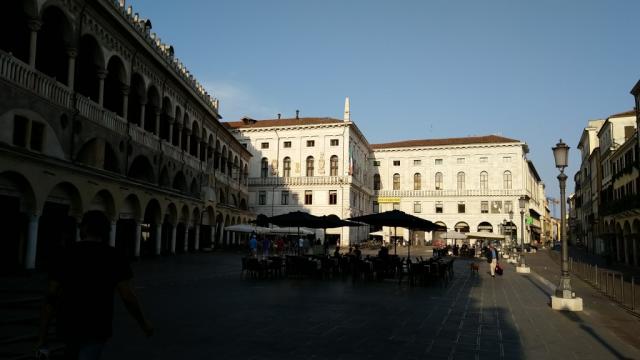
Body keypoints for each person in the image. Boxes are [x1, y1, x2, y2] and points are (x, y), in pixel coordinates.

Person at [37, 210, 153, 359]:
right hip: (97, 326)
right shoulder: (113, 256)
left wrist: (42, 336)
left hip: (67, 323)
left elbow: (51, 296)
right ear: (106, 231)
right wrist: (143, 323)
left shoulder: (66, 254)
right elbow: (127, 296)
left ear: (84, 228)